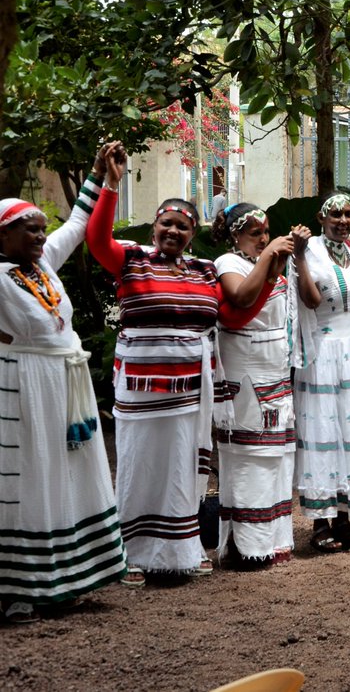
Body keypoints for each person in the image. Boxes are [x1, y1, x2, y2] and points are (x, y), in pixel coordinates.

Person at [87, 146, 276, 582]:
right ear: (154, 227)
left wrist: (267, 279)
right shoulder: (131, 260)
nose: (172, 231)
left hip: (192, 388)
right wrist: (110, 186)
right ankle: (133, 554)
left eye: (182, 225)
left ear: (194, 233)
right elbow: (97, 240)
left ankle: (180, 550)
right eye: (166, 223)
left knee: (186, 467)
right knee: (140, 464)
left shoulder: (206, 271)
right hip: (142, 387)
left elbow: (231, 317)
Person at [0, 145, 126, 624]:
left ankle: (69, 577)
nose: (39, 235)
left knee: (66, 472)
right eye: (28, 229)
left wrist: (100, 177)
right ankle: (19, 589)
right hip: (22, 386)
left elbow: (75, 225)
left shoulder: (44, 262)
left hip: (65, 382)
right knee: (30, 476)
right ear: (2, 233)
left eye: (39, 228)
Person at [292, 192, 350, 552]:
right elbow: (311, 300)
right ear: (321, 216)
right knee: (325, 428)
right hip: (325, 351)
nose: (343, 221)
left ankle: (345, 518)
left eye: (348, 214)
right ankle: (320, 522)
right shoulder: (309, 249)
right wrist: (299, 255)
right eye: (336, 214)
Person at [212, 203, 305, 567]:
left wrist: (271, 261)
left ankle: (274, 541)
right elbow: (240, 298)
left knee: (277, 458)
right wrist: (268, 258)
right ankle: (246, 546)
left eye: (266, 233)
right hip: (245, 371)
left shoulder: (271, 265)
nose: (264, 239)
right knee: (250, 457)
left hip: (276, 370)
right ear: (237, 236)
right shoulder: (227, 263)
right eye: (255, 234)